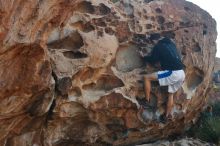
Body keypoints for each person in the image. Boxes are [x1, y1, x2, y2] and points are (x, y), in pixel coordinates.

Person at [139, 37, 185, 118]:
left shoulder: (159, 46)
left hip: (172, 72)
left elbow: (153, 60)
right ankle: (166, 117)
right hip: (181, 73)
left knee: (147, 78)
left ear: (156, 40)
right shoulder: (172, 45)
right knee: (171, 94)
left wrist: (143, 57)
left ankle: (146, 101)